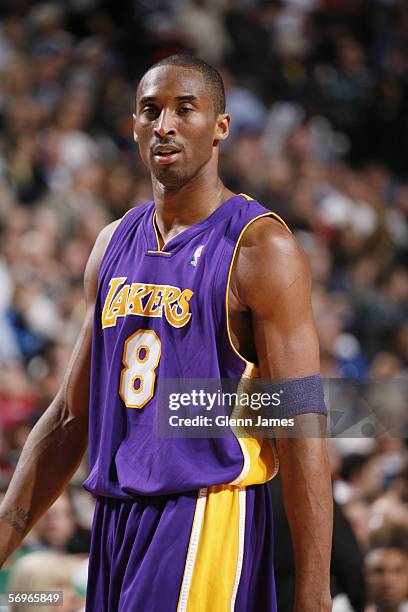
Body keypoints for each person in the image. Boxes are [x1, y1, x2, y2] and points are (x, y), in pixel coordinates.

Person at [0, 55, 333, 611]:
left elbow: (301, 426)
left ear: (221, 127)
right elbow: (67, 419)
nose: (165, 125)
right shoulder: (113, 243)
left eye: (185, 109)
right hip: (115, 519)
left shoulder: (259, 248)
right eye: (150, 111)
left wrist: (314, 593)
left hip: (205, 512)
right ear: (133, 126)